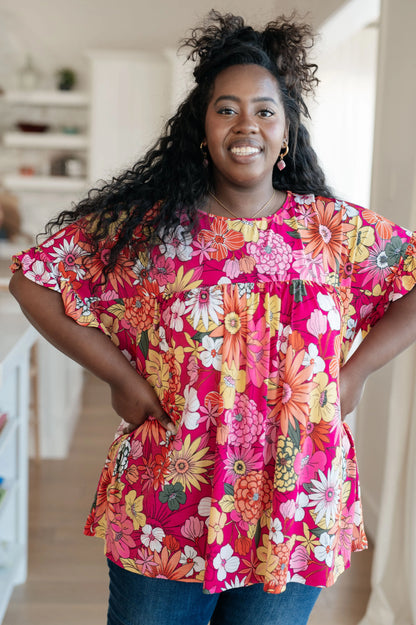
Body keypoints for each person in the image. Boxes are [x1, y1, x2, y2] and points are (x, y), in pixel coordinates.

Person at [9, 11, 416, 625]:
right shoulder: (150, 233)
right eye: (226, 109)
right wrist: (120, 377)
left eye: (264, 110)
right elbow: (34, 279)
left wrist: (354, 374)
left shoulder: (335, 234)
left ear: (287, 134)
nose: (245, 124)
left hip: (293, 506)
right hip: (169, 508)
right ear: (201, 130)